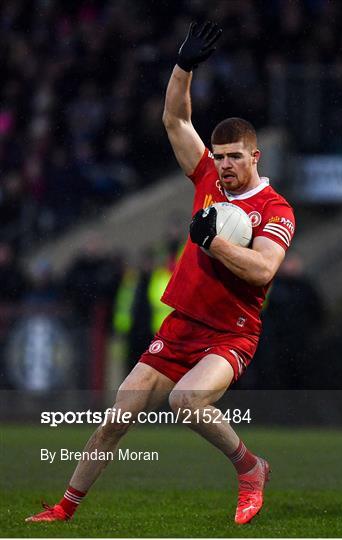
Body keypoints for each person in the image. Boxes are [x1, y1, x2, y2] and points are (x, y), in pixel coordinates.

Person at [26, 21, 295, 526]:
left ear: (255, 156)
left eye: (236, 157)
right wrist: (183, 66)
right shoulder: (208, 179)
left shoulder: (275, 209)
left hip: (231, 332)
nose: (226, 166)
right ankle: (65, 508)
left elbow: (262, 271)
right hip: (181, 325)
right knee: (114, 420)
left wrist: (211, 242)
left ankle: (251, 468)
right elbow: (175, 119)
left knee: (186, 400)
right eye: (220, 158)